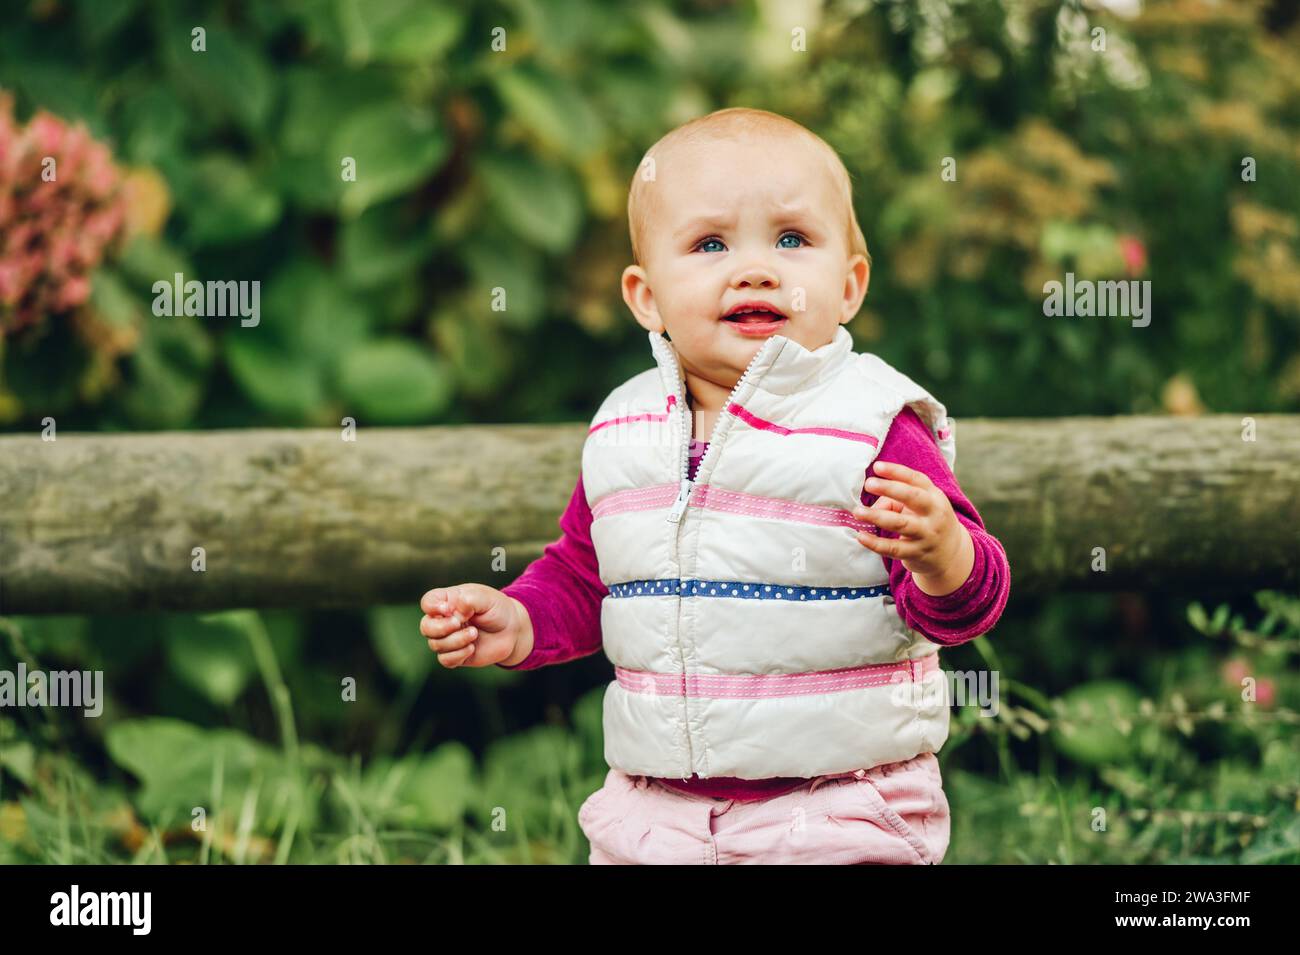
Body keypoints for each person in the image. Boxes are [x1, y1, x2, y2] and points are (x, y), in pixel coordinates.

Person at [420, 107, 1011, 864]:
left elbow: (970, 602)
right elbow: (586, 572)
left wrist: (943, 553)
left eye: (792, 240)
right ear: (645, 296)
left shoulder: (870, 426)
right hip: (655, 811)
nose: (757, 268)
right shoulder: (623, 431)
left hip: (836, 805)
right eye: (709, 244)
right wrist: (519, 619)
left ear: (850, 284)